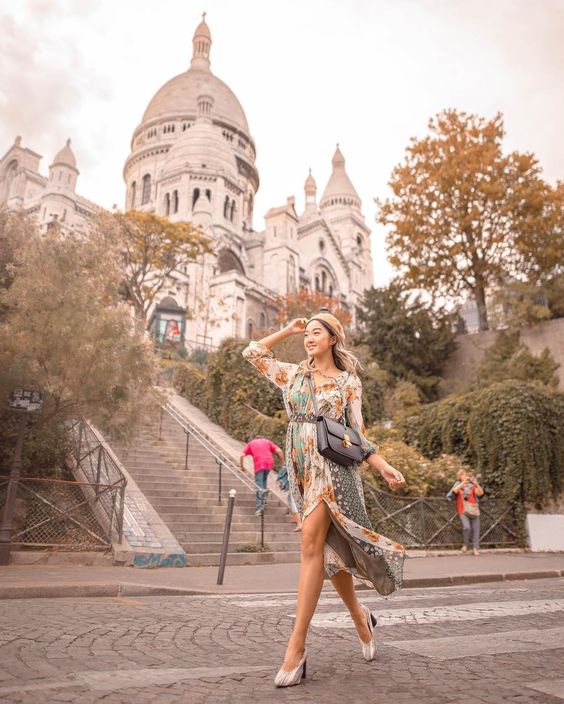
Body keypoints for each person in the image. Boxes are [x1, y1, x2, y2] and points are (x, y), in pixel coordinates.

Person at [242, 313, 406, 687]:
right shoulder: (293, 375)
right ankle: (359, 617)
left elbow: (358, 433)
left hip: (335, 472)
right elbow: (252, 353)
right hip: (302, 469)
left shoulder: (348, 382)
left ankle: (296, 647)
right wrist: (288, 330)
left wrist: (381, 465)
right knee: (329, 556)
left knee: (310, 545)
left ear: (334, 339)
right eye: (308, 334)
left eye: (317, 333)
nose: (309, 338)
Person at [240, 436, 284, 515]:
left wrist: (242, 466)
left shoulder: (251, 443)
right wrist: (283, 463)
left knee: (259, 485)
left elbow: (242, 455)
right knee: (264, 481)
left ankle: (259, 508)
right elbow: (279, 451)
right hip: (269, 463)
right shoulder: (267, 441)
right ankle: (264, 498)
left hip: (259, 464)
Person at [447, 468, 485, 556]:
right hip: (462, 510)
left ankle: (476, 548)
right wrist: (463, 483)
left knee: (476, 530)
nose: (465, 476)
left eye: (465, 474)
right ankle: (465, 545)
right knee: (466, 527)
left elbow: (480, 493)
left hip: (473, 509)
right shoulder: (458, 485)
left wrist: (476, 484)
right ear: (459, 477)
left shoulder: (471, 486)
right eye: (462, 474)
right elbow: (454, 491)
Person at [276, 464, 302, 531]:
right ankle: (295, 519)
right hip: (297, 479)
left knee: (293, 500)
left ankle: (299, 524)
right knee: (290, 499)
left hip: (295, 480)